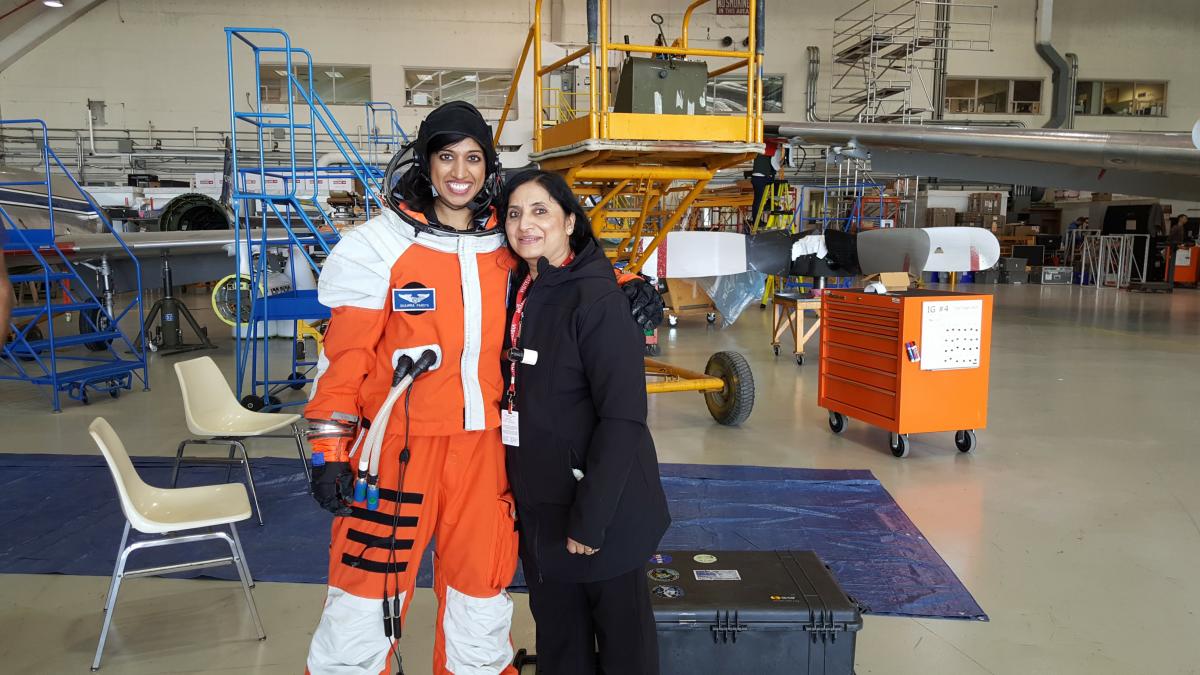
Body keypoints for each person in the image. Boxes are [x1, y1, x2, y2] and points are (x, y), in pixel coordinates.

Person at [304, 102, 664, 675]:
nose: (459, 171)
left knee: (480, 603)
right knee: (363, 605)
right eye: (446, 156)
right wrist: (328, 451)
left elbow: (563, 266)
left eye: (473, 157)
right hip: (396, 452)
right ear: (425, 163)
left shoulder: (502, 240)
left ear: (488, 166)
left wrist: (628, 282)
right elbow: (342, 363)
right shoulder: (378, 248)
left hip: (487, 454)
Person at [500, 169, 671, 675]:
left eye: (540, 211)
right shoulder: (519, 289)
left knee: (624, 649)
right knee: (559, 643)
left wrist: (591, 519)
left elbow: (623, 419)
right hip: (542, 509)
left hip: (600, 511)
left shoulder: (595, 300)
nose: (525, 224)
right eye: (514, 213)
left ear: (570, 221)